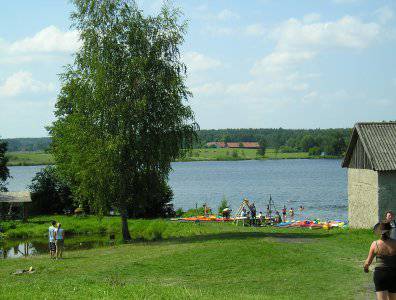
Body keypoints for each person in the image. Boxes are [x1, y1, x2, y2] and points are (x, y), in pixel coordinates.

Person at [364, 222, 396, 299]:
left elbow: (368, 262)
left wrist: (366, 268)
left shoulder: (375, 244)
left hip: (380, 274)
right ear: (390, 231)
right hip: (394, 273)